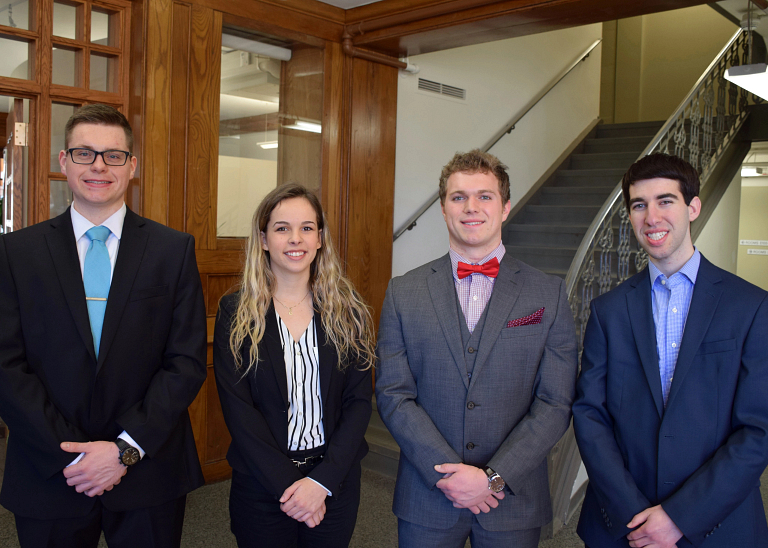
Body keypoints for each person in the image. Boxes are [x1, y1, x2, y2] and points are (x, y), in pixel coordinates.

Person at [0, 104, 207, 547]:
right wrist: (72, 458)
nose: (98, 165)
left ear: (131, 165)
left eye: (113, 155)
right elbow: (6, 365)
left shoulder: (173, 251)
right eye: (84, 153)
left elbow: (185, 363)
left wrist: (123, 450)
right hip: (49, 470)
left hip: (147, 469)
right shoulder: (17, 253)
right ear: (64, 162)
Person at [375, 149, 578, 547]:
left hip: (512, 499)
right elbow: (393, 394)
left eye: (485, 196)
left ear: (504, 207)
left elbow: (556, 401)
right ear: (443, 207)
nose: (471, 207)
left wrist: (493, 476)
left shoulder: (547, 293)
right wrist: (448, 476)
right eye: (458, 197)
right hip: (427, 496)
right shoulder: (403, 292)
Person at [572, 153, 768, 547]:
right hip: (623, 525)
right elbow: (589, 414)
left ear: (692, 207)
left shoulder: (750, 306)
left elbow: (758, 429)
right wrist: (636, 516)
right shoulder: (608, 311)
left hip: (718, 525)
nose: (651, 217)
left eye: (666, 201)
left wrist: (679, 518)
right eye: (639, 205)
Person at [213, 183, 375, 548]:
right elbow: (240, 412)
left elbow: (358, 404)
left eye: (306, 227)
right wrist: (290, 486)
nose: (295, 238)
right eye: (282, 228)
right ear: (265, 239)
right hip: (261, 484)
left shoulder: (350, 313)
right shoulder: (235, 313)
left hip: (334, 481)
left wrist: (320, 484)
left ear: (320, 238)